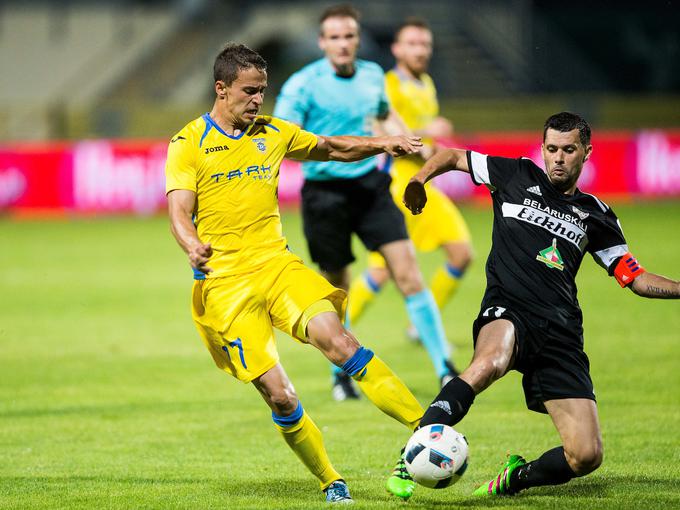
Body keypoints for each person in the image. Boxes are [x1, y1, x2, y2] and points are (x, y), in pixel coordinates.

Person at [165, 42, 427, 504]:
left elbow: (330, 147)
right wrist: (192, 246)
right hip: (226, 285)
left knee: (341, 342)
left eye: (262, 91)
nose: (257, 100)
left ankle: (427, 427)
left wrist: (384, 142)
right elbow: (179, 211)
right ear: (221, 89)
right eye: (249, 91)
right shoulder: (188, 144)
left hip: (278, 266)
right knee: (280, 396)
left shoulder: (271, 132)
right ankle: (331, 479)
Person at [386, 111, 680, 500]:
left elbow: (635, 278)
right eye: (552, 149)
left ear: (586, 152)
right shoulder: (516, 175)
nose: (558, 158)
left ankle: (516, 477)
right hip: (509, 308)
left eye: (568, 150)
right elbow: (453, 155)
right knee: (488, 363)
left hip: (560, 331)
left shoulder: (598, 216)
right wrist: (419, 179)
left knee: (586, 455)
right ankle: (410, 458)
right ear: (542, 149)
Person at [274, 5, 457, 400]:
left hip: (371, 188)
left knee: (408, 272)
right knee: (337, 286)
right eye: (334, 37)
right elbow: (284, 140)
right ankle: (340, 373)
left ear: (357, 39)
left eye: (349, 36)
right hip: (324, 196)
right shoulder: (302, 85)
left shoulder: (373, 76)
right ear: (323, 42)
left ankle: (445, 367)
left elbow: (384, 113)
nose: (342, 43)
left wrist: (412, 143)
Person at [347, 17, 473, 347]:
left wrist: (431, 142)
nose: (420, 50)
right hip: (398, 184)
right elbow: (383, 131)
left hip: (424, 182)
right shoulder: (389, 85)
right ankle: (338, 330)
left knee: (461, 253)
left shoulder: (426, 84)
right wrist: (431, 137)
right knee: (382, 268)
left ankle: (419, 328)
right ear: (397, 49)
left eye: (425, 44)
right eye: (413, 43)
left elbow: (423, 135)